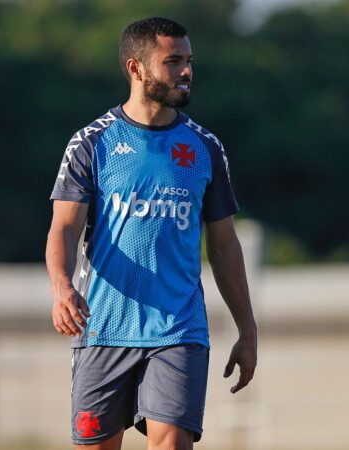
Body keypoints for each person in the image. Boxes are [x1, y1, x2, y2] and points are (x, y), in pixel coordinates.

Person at [46, 17, 257, 450]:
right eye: (173, 61)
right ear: (136, 68)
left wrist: (247, 329)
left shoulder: (205, 147)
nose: (187, 71)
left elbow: (224, 246)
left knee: (172, 444)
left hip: (178, 329)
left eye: (189, 60)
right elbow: (64, 228)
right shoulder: (92, 143)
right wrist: (62, 287)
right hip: (104, 328)